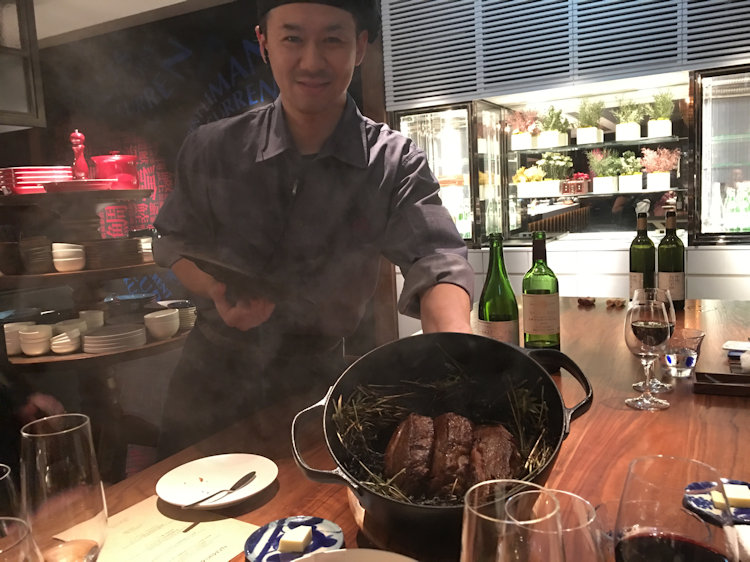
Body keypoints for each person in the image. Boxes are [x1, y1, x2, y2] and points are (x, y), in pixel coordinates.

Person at [152, 0, 474, 457]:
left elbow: (436, 261)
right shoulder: (213, 147)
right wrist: (215, 289)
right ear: (263, 42)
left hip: (316, 386)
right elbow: (172, 241)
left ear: (361, 46)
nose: (311, 61)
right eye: (292, 38)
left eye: (333, 39)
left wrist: (459, 348)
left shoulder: (392, 161)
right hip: (210, 387)